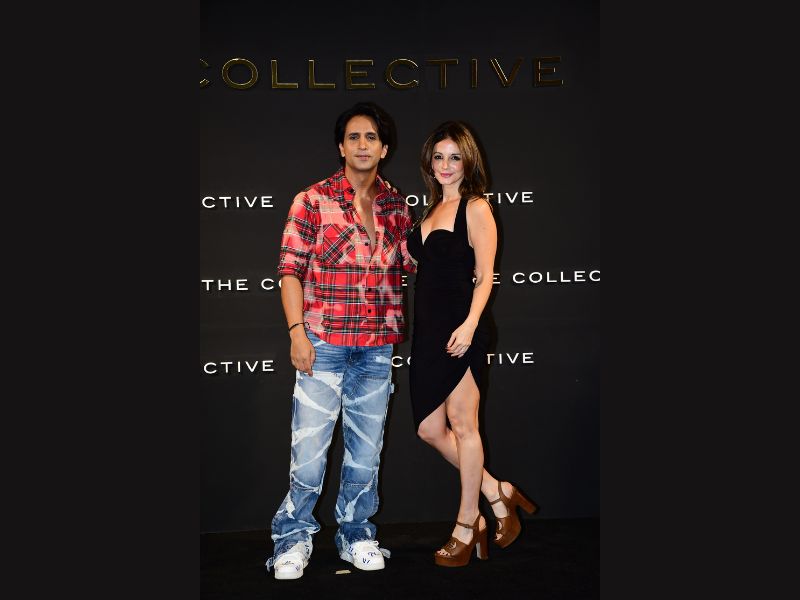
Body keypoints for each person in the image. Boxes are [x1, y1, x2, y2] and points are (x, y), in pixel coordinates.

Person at [266, 102, 416, 580]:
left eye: (371, 137)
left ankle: (356, 534)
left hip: (376, 348)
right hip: (323, 344)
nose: (362, 145)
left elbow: (415, 264)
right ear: (341, 146)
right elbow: (290, 272)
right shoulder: (312, 200)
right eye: (354, 137)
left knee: (366, 455)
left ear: (384, 148)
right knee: (309, 455)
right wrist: (297, 333)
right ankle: (292, 539)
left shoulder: (398, 207)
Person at [406, 121, 537, 567]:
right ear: (429, 162)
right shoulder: (429, 210)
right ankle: (497, 491)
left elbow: (485, 276)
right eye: (438, 157)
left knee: (464, 425)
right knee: (429, 429)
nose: (445, 165)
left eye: (454, 157)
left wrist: (470, 324)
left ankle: (468, 523)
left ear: (468, 161)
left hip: (463, 328)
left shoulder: (476, 207)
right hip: (428, 332)